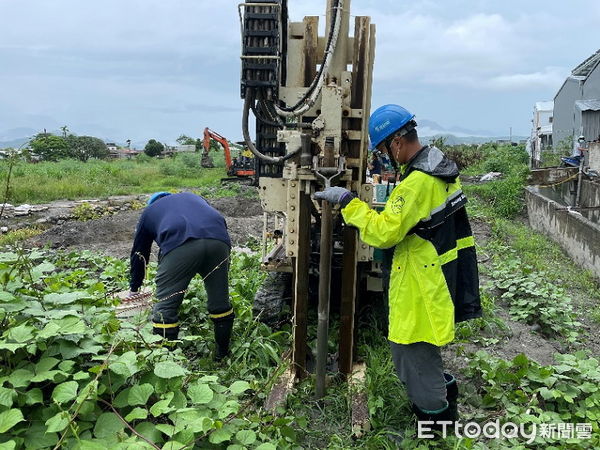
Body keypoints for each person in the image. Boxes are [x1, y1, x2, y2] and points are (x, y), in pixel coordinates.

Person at [315, 104, 481, 429]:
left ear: (396, 143)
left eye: (382, 149)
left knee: (413, 356)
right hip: (436, 276)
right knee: (420, 352)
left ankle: (435, 425)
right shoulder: (438, 171)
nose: (384, 156)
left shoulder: (417, 183)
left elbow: (385, 233)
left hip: (421, 283)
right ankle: (442, 404)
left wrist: (349, 203)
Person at [128, 191, 234, 360]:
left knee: (165, 308)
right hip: (218, 242)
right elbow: (213, 218)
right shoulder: (194, 197)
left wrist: (134, 287)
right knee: (220, 303)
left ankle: (167, 363)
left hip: (180, 246)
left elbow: (139, 253)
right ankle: (222, 355)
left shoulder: (149, 212)